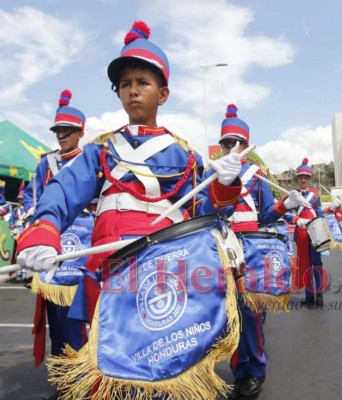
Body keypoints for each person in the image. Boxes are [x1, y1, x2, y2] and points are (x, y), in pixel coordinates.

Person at [16, 21, 243, 399]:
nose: (133, 91)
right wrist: (44, 232)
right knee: (110, 372)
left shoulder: (184, 154)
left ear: (163, 93)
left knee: (163, 371)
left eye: (143, 82)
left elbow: (208, 212)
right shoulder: (101, 151)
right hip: (110, 271)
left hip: (165, 272)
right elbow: (63, 192)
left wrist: (224, 183)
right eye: (125, 84)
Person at [215, 104, 301, 400]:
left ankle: (256, 371)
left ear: (246, 146)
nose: (231, 148)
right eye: (226, 143)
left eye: (236, 143)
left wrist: (284, 206)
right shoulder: (213, 172)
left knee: (250, 313)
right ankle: (240, 370)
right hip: (223, 246)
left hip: (251, 247)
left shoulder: (258, 175)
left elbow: (265, 214)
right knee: (229, 314)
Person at [21, 90, 89, 400]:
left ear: (80, 132)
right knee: (57, 323)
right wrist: (26, 224)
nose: (61, 136)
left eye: (67, 131)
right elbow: (30, 199)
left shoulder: (91, 160)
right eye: (58, 131)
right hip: (53, 247)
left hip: (83, 251)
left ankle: (84, 381)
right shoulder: (45, 164)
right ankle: (64, 382)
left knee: (78, 321)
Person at [283, 158, 327, 306]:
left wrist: (329, 211)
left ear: (309, 178)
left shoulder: (316, 193)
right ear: (298, 179)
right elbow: (285, 213)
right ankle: (309, 295)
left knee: (317, 263)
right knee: (305, 264)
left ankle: (319, 294)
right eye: (300, 177)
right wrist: (296, 220)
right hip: (301, 231)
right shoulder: (293, 194)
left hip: (315, 231)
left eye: (305, 177)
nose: (303, 180)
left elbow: (319, 211)